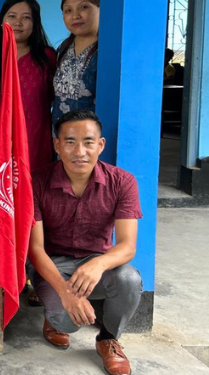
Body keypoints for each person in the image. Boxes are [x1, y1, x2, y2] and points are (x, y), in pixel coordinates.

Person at [31, 109, 144, 375]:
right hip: (52, 265)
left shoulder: (122, 181)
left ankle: (108, 339)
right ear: (57, 145)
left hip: (96, 263)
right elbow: (34, 249)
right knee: (66, 322)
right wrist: (65, 293)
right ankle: (53, 318)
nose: (79, 151)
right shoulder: (37, 181)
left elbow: (127, 245)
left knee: (130, 279)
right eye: (70, 142)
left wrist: (98, 264)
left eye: (88, 142)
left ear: (100, 145)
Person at [0, 0, 57, 177]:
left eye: (26, 17)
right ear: (2, 21)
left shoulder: (47, 58)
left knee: (32, 194)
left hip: (36, 141)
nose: (18, 22)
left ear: (35, 23)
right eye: (12, 16)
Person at [52, 0, 100, 123]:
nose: (75, 16)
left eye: (83, 7)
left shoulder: (105, 52)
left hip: (89, 138)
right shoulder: (63, 49)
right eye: (68, 10)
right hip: (59, 136)